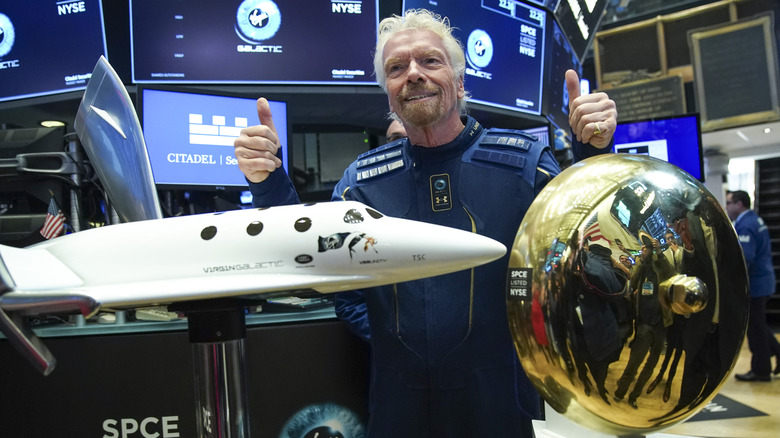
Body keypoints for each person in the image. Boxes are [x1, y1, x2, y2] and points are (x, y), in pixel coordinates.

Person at [234, 9, 617, 436]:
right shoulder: (360, 185)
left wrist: (594, 152)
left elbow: (593, 252)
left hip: (498, 408)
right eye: (397, 68)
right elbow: (309, 264)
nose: (413, 74)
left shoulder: (525, 166)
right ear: (389, 93)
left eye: (430, 61)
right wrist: (269, 182)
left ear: (459, 81)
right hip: (399, 408)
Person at [726, 190, 780, 381]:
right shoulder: (754, 220)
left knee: (755, 329)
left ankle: (761, 370)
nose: (727, 207)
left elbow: (745, 257)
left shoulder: (746, 225)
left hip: (755, 284)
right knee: (758, 324)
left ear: (739, 204)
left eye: (729, 203)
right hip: (764, 281)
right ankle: (777, 353)